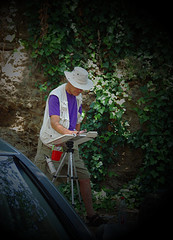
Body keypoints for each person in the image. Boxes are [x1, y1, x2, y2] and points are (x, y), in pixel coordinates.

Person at [34, 66, 104, 226]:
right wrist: (70, 133)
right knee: (50, 179)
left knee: (84, 176)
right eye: (79, 87)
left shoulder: (78, 97)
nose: (81, 91)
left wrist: (78, 134)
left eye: (83, 88)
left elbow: (78, 120)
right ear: (70, 82)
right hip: (52, 142)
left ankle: (91, 215)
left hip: (71, 141)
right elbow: (54, 123)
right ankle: (46, 218)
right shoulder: (55, 96)